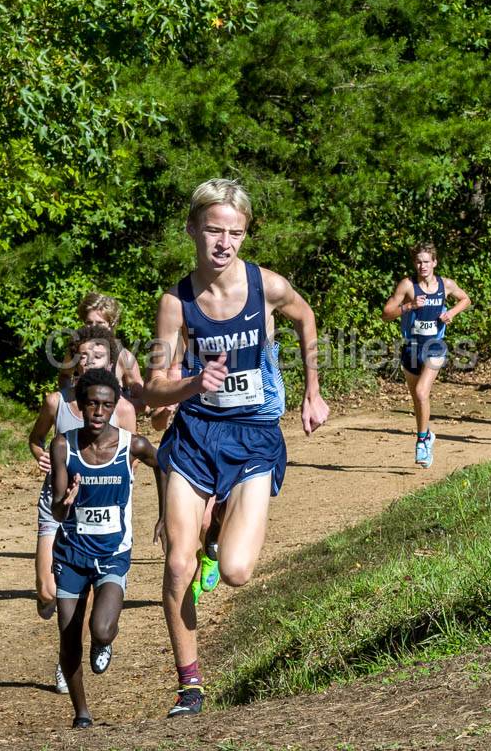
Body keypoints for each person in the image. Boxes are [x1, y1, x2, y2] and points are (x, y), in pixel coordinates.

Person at [145, 178, 330, 718]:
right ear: (192, 230)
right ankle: (190, 685)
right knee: (179, 563)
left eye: (235, 233)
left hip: (253, 438)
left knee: (236, 571)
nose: (224, 243)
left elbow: (306, 318)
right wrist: (188, 386)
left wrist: (312, 391)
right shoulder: (175, 304)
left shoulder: (267, 287)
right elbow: (157, 385)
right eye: (213, 231)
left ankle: (219, 517)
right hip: (195, 437)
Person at [49, 368, 163, 729]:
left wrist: (163, 516)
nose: (98, 412)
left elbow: (161, 465)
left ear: (115, 407)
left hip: (112, 553)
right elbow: (56, 505)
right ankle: (81, 713)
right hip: (71, 553)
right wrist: (66, 504)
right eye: (92, 404)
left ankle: (104, 642)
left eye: (106, 405)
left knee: (100, 629)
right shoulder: (63, 445)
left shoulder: (133, 444)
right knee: (69, 642)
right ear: (80, 406)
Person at [28, 325, 137, 694]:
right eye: (84, 355)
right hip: (57, 504)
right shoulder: (56, 401)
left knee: (93, 606)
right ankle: (66, 644)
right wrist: (42, 457)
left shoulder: (120, 408)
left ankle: (86, 647)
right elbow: (36, 439)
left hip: (99, 512)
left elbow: (129, 465)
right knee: (46, 591)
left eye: (99, 355)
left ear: (111, 360)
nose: (90, 361)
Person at [381, 242, 472, 467]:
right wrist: (408, 306)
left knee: (422, 392)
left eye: (426, 261)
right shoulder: (407, 285)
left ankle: (422, 442)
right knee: (417, 399)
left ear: (434, 262)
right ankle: (427, 433)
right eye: (419, 262)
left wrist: (451, 313)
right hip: (411, 347)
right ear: (415, 264)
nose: (423, 266)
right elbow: (386, 314)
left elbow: (466, 299)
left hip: (435, 346)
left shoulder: (446, 284)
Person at [73, 292, 146, 411]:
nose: (93, 327)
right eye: (89, 323)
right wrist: (69, 404)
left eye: (100, 323)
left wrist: (114, 408)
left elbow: (142, 402)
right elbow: (64, 376)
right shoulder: (76, 349)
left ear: (111, 324)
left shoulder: (124, 356)